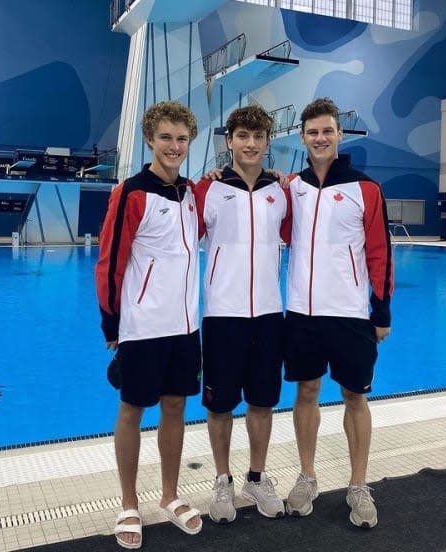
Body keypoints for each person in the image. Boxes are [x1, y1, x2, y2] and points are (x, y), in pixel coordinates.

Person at [95, 100, 203, 549]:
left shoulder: (193, 193)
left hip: (185, 326)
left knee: (176, 407)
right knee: (133, 409)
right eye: (166, 138)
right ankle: (128, 501)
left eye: (181, 139)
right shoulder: (131, 192)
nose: (174, 146)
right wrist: (112, 322)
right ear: (149, 139)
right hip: (142, 326)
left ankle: (171, 495)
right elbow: (109, 260)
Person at [284, 97, 393, 528]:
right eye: (312, 132)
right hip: (302, 313)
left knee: (355, 396)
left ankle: (358, 485)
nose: (320, 138)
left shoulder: (365, 189)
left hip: (349, 313)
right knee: (306, 392)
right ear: (302, 137)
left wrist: (380, 311)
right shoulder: (292, 187)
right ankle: (308, 476)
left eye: (327, 131)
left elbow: (380, 253)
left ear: (338, 134)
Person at [193, 105, 291, 524]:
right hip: (222, 315)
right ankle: (221, 480)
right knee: (220, 406)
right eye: (242, 136)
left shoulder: (280, 191)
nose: (250, 144)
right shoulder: (207, 190)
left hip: (269, 314)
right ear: (229, 140)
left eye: (258, 137)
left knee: (263, 402)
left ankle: (256, 476)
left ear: (268, 142)